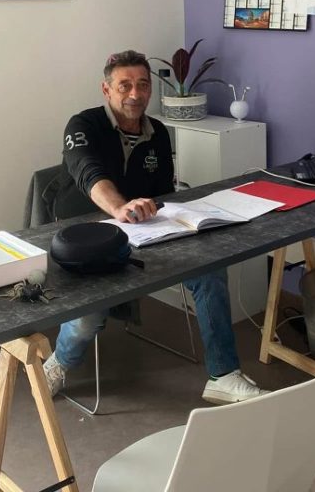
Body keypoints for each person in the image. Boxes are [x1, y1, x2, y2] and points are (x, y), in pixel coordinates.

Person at [43, 50, 268, 404]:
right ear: (106, 89)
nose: (135, 94)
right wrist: (119, 207)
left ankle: (223, 376)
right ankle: (58, 362)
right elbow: (88, 172)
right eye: (125, 85)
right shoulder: (83, 125)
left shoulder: (158, 133)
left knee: (210, 269)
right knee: (89, 318)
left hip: (139, 230)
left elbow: (162, 192)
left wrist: (183, 217)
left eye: (143, 85)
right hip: (85, 236)